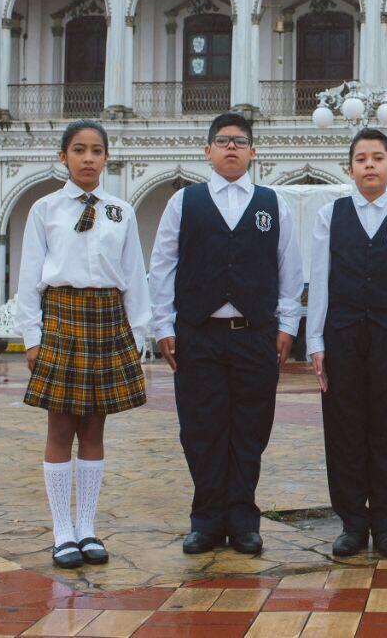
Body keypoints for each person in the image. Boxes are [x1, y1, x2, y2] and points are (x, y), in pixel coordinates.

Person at [149, 112, 303, 557]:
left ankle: (243, 517)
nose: (231, 148)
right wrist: (163, 326)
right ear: (208, 151)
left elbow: (289, 271)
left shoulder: (273, 204)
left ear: (253, 152)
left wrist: (288, 326)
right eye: (222, 141)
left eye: (239, 141)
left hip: (255, 334)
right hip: (199, 334)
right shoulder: (185, 202)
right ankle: (206, 519)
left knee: (250, 428)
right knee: (201, 428)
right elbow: (162, 266)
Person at [14, 119, 152, 570]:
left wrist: (137, 336)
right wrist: (33, 336)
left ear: (106, 158)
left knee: (94, 429)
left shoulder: (120, 211)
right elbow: (30, 276)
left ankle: (88, 528)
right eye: (79, 149)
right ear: (63, 157)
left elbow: (134, 277)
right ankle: (61, 533)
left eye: (96, 150)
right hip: (62, 318)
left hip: (107, 322)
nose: (88, 158)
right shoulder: (45, 209)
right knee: (60, 429)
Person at [306, 128, 387, 559]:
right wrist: (316, 341)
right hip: (342, 336)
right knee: (344, 431)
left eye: (378, 158)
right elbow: (319, 280)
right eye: (361, 158)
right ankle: (353, 522)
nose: (370, 165)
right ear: (350, 168)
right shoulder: (330, 215)